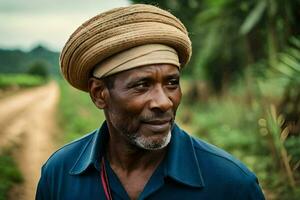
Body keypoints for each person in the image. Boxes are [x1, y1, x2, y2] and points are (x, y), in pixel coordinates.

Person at [36, 4, 265, 200]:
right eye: (142, 85)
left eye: (172, 83)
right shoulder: (60, 173)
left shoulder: (232, 185)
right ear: (99, 94)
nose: (164, 102)